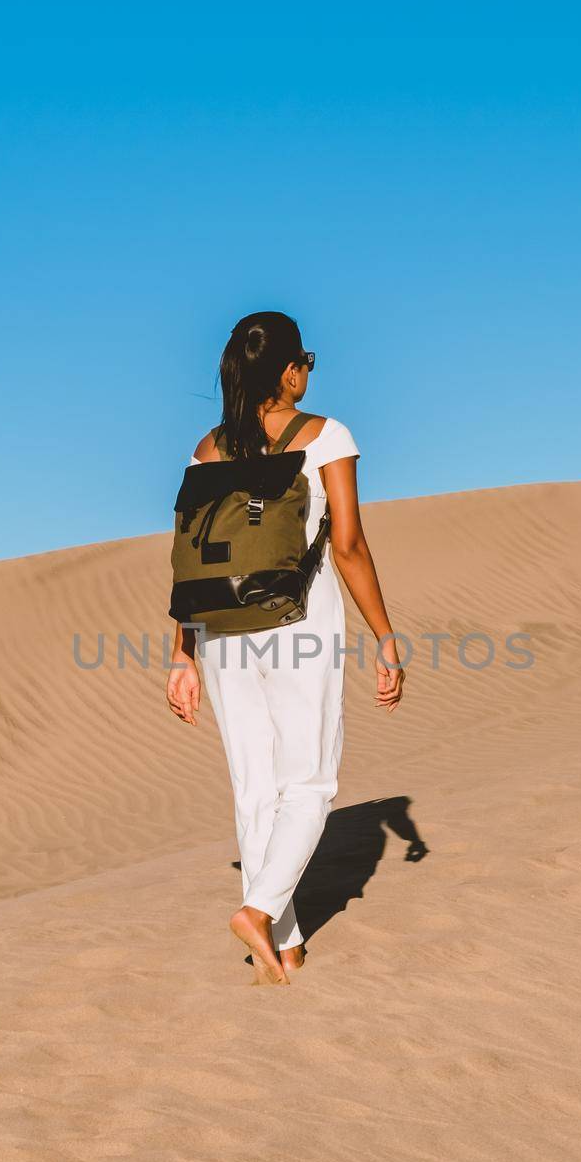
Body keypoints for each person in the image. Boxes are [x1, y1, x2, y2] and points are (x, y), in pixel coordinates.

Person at [166, 311, 405, 984]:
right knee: (309, 782)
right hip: (299, 619)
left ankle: (287, 944)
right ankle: (263, 908)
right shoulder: (326, 435)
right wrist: (386, 637)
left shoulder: (207, 450)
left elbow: (191, 561)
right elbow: (350, 545)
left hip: (218, 630)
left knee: (255, 786)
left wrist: (181, 655)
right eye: (307, 363)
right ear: (290, 369)